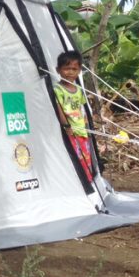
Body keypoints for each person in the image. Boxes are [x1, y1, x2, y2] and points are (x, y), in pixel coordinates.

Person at [54, 49, 94, 182]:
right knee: (76, 158)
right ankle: (79, 182)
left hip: (81, 130)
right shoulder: (58, 89)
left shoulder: (78, 90)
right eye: (66, 68)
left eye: (74, 69)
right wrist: (66, 125)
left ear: (79, 71)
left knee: (86, 157)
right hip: (70, 131)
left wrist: (86, 124)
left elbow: (82, 108)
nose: (70, 72)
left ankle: (87, 181)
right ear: (58, 70)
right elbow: (59, 108)